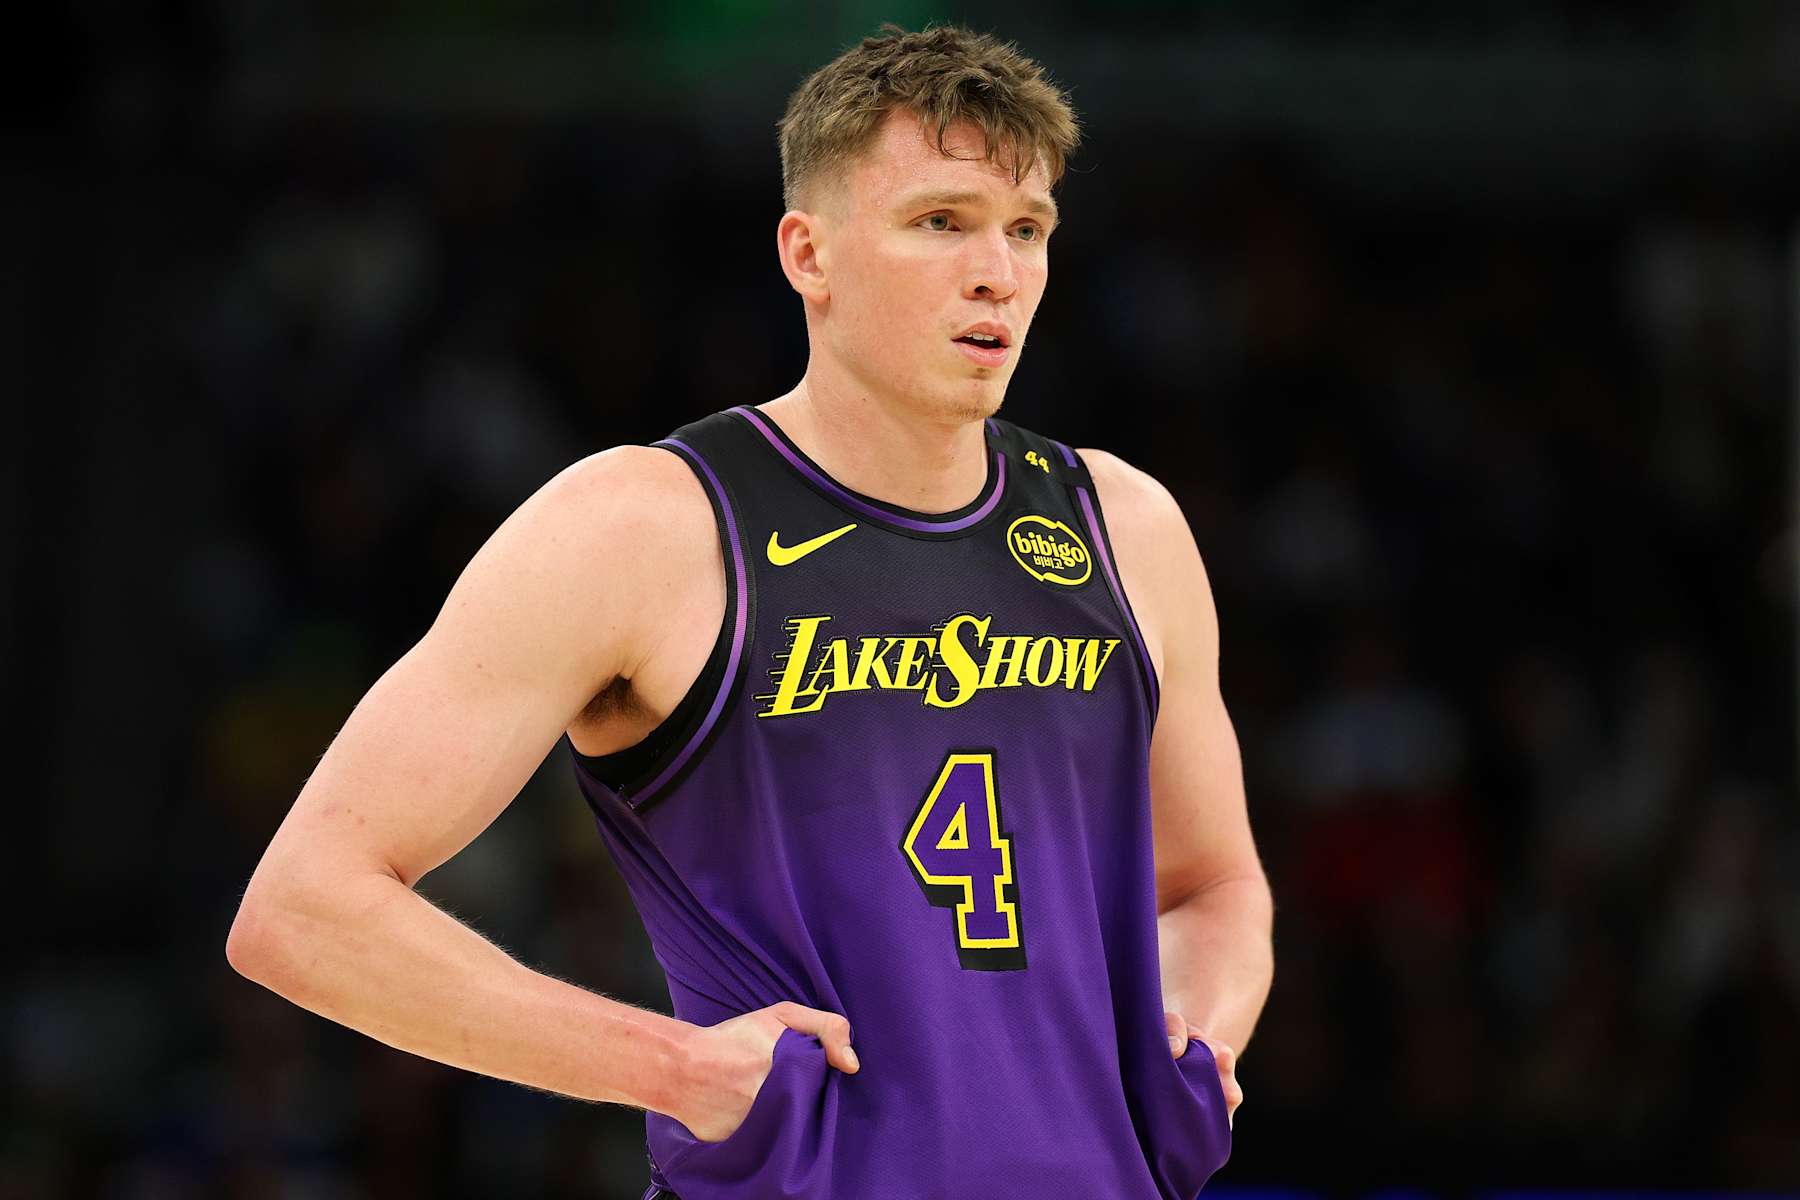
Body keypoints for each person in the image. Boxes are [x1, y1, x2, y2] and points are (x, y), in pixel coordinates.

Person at [226, 22, 1272, 1200]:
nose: (999, 273)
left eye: (1026, 230)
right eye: (941, 222)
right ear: (807, 253)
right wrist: (669, 1065)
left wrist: (1200, 1029)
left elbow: (1215, 887)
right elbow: (305, 911)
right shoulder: (644, 527)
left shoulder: (1124, 527)